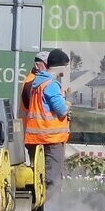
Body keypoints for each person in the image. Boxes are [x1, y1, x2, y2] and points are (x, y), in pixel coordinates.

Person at [25, 48, 71, 202]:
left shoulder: (37, 83)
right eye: (65, 67)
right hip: (50, 139)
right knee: (52, 180)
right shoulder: (51, 84)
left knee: (38, 178)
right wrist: (68, 103)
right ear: (59, 66)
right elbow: (62, 110)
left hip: (35, 138)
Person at [20, 51, 49, 121]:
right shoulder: (31, 82)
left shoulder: (38, 79)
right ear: (37, 65)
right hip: (34, 127)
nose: (49, 68)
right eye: (47, 65)